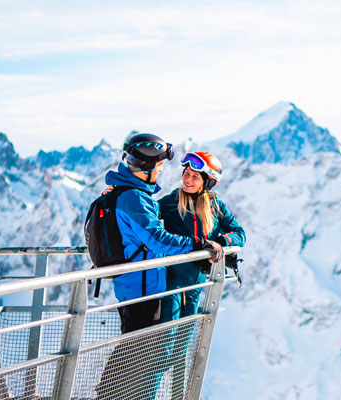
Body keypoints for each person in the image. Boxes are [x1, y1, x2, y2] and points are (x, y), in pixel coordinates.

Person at [95, 132, 221, 400]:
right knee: (137, 353)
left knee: (132, 349)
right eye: (160, 166)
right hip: (143, 287)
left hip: (137, 283)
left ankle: (109, 394)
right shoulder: (134, 199)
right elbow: (158, 240)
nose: (162, 171)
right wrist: (198, 244)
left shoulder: (126, 192)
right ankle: (110, 395)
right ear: (148, 167)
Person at [156, 151, 246, 320]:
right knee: (167, 335)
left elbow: (240, 234)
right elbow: (145, 216)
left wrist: (219, 242)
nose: (187, 180)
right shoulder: (172, 201)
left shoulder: (216, 206)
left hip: (197, 282)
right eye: (186, 174)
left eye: (195, 177)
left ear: (208, 182)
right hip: (172, 280)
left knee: (186, 335)